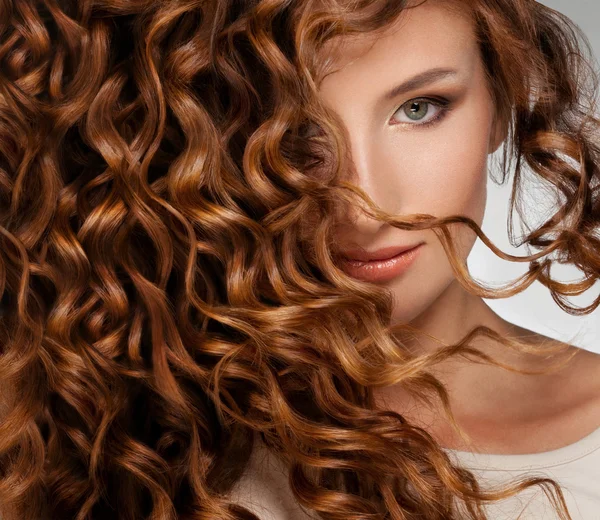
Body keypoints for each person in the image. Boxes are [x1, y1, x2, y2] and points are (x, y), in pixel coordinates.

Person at [0, 0, 598, 519]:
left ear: (500, 103)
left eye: (420, 108)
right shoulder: (122, 442)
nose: (363, 207)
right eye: (291, 132)